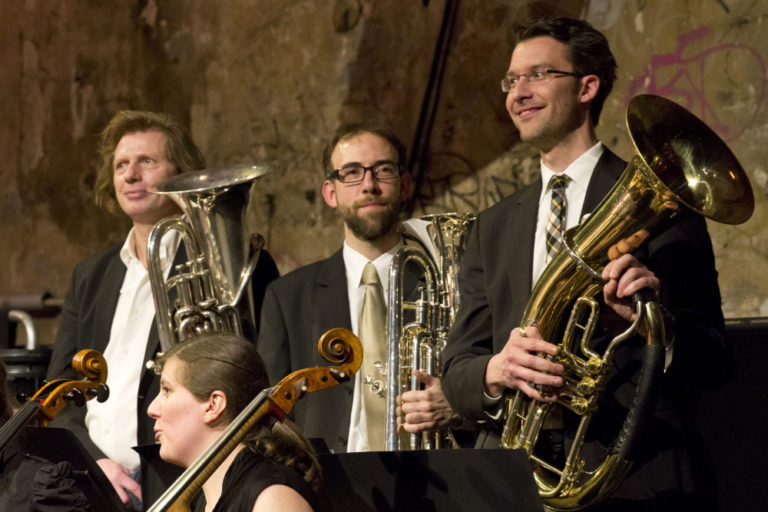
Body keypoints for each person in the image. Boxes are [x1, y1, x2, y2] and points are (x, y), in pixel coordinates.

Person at [441, 17, 728, 511]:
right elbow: (457, 369)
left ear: (587, 87)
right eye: (511, 80)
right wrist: (496, 368)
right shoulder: (491, 226)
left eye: (537, 75)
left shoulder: (663, 203)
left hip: (632, 476)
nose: (518, 93)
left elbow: (715, 360)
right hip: (513, 479)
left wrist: (651, 320)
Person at [45, 110, 279, 509]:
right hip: (95, 479)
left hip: (182, 478)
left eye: (147, 162)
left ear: (180, 174)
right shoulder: (91, 275)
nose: (130, 175)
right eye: (121, 165)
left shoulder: (229, 263)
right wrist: (94, 460)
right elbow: (60, 390)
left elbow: (253, 369)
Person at [257, 123, 462, 453]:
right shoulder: (287, 297)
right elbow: (271, 417)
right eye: (351, 173)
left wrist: (456, 403)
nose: (369, 185)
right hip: (326, 485)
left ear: (405, 184)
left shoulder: (445, 284)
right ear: (330, 193)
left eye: (383, 170)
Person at [147, 332, 324, 512]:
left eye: (167, 390)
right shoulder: (201, 501)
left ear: (213, 405)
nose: (151, 409)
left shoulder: (272, 497)